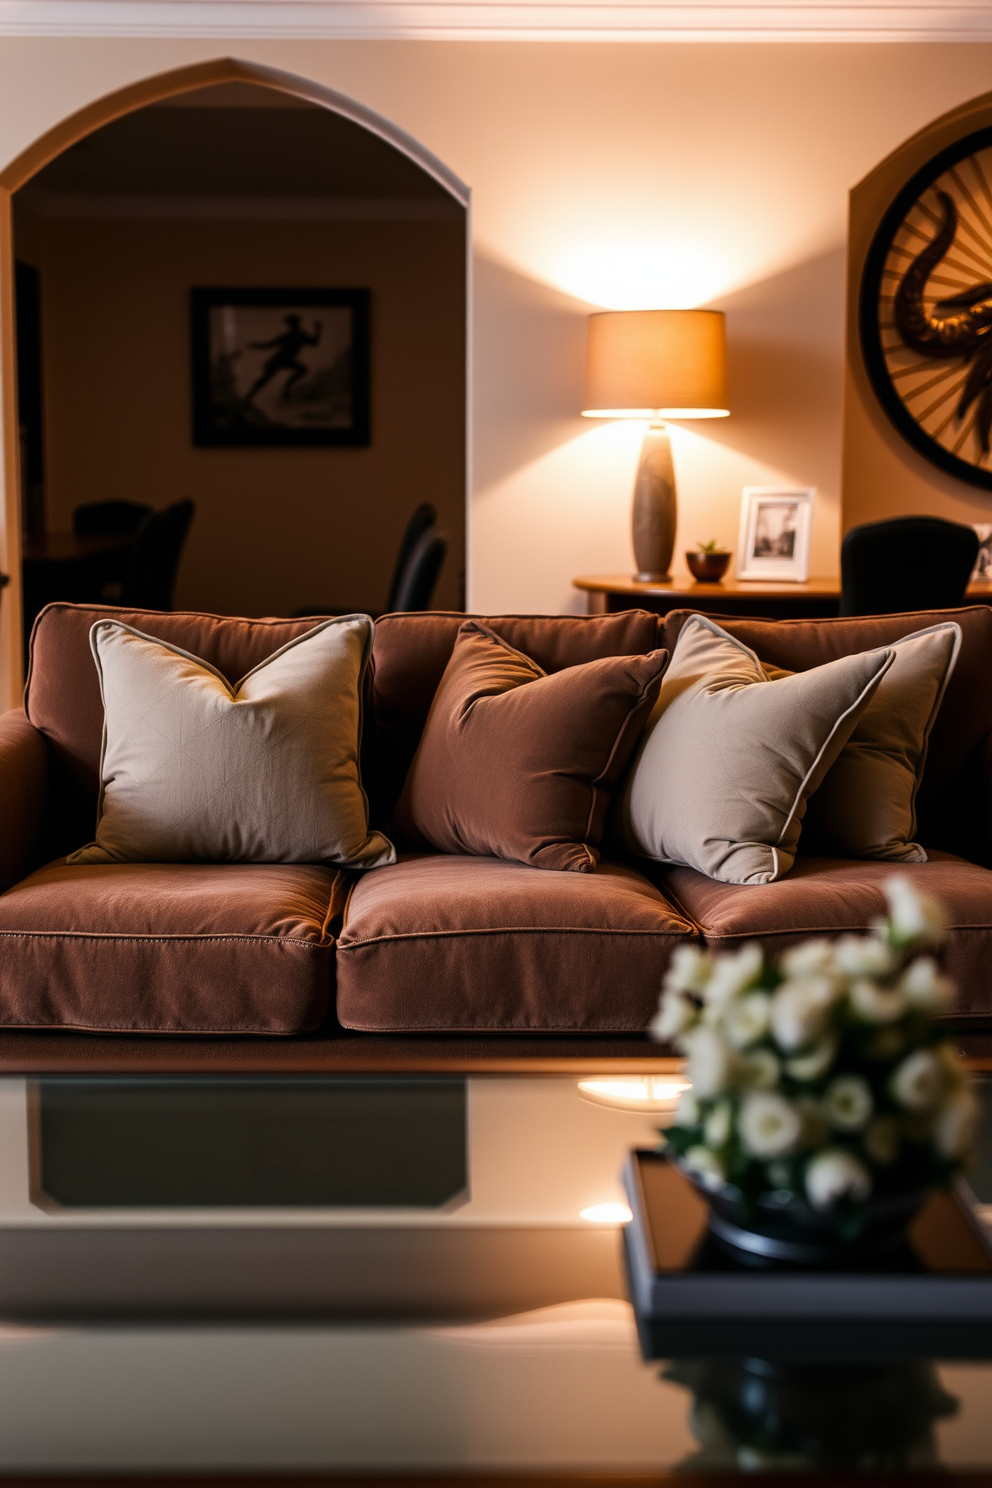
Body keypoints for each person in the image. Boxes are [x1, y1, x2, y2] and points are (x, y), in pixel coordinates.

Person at [244, 314, 322, 405]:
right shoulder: (296, 335)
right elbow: (270, 344)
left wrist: (318, 330)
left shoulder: (297, 335)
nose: (294, 325)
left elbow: (269, 344)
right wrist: (318, 330)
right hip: (280, 359)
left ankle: (286, 387)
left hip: (283, 359)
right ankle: (248, 397)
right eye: (293, 323)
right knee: (265, 379)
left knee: (301, 370)